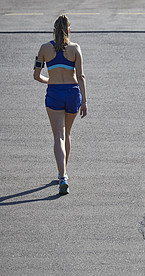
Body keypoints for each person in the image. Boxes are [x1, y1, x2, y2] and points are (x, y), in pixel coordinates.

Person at [33, 15, 87, 195]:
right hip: (72, 93)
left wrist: (49, 80)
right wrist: (85, 101)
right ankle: (63, 173)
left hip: (55, 93)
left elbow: (36, 75)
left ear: (53, 30)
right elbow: (80, 77)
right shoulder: (75, 48)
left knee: (59, 136)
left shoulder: (44, 48)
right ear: (69, 30)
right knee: (67, 133)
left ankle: (62, 176)